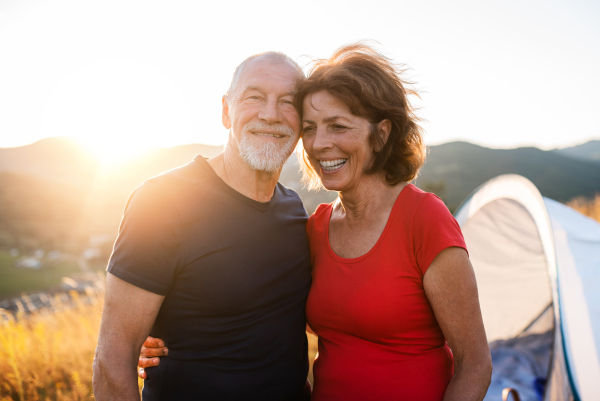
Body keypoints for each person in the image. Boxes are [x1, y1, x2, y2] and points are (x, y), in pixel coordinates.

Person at [140, 43, 492, 400]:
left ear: (382, 133)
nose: (320, 143)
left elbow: (475, 363)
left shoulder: (424, 219)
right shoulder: (315, 227)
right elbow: (266, 315)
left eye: (338, 126)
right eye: (310, 128)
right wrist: (167, 339)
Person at [93, 52, 313, 401]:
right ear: (226, 111)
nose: (270, 114)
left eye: (288, 102)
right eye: (254, 97)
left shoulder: (295, 212)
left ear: (302, 122)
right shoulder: (163, 201)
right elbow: (112, 361)